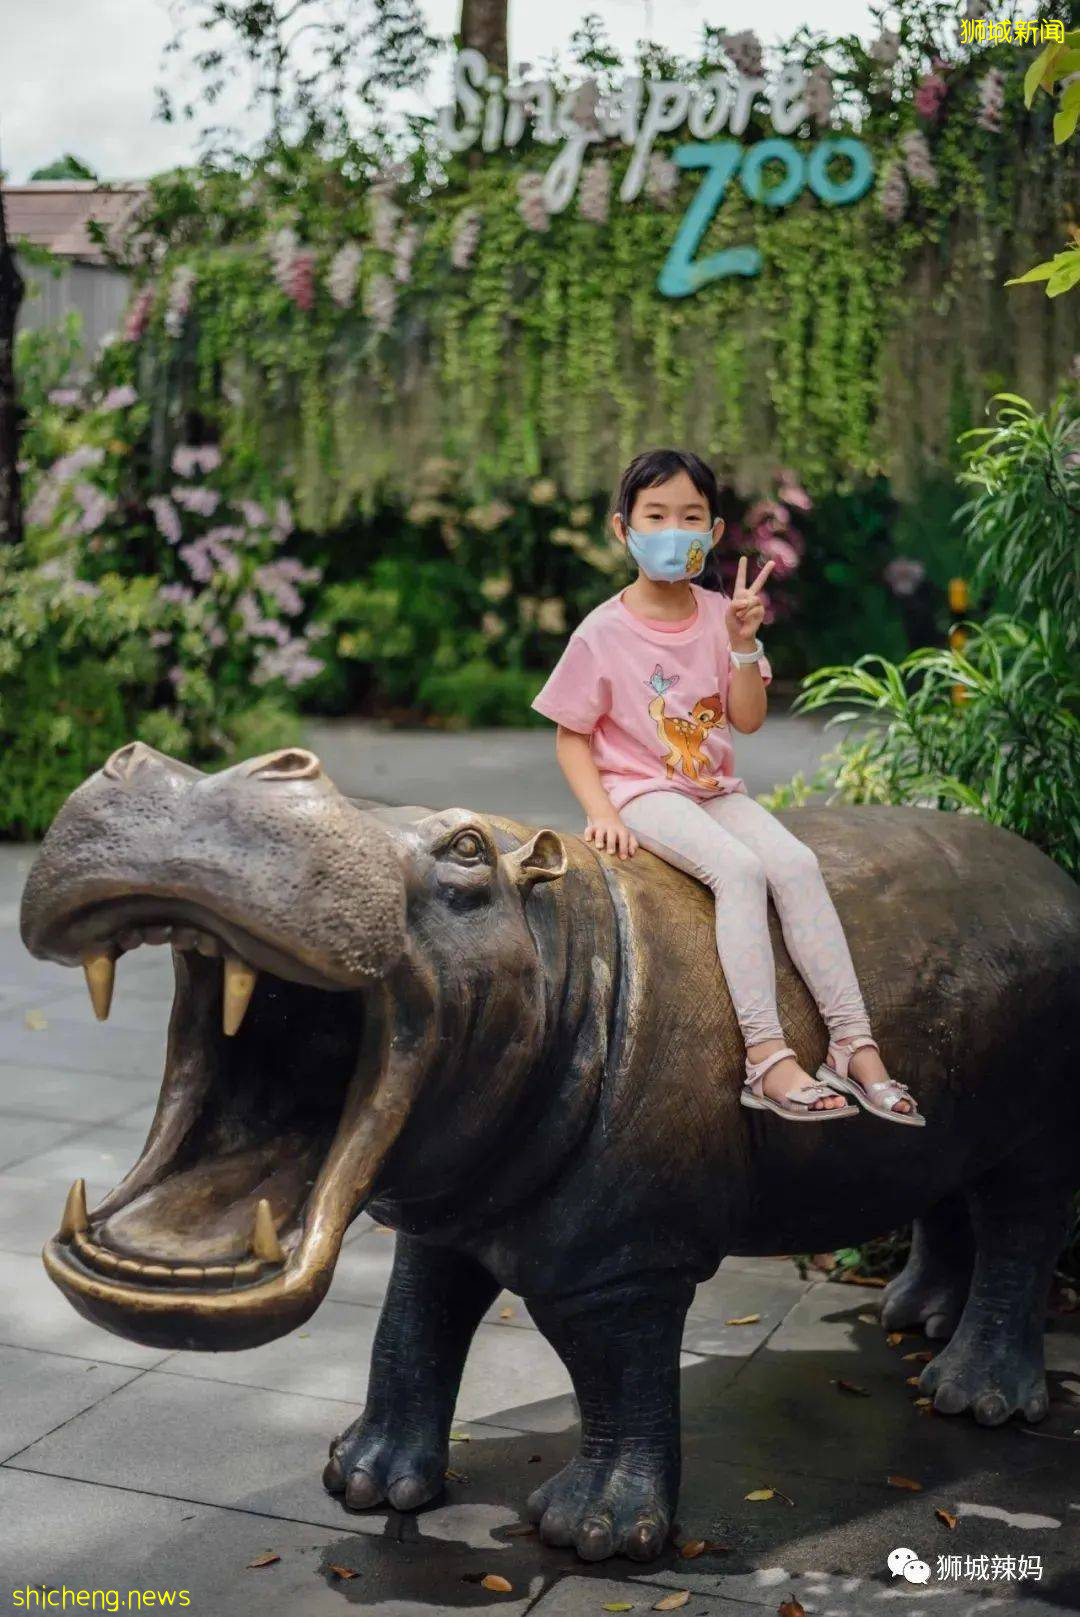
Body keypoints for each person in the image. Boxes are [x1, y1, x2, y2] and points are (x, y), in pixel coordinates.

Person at [530, 448, 925, 1126]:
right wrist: (601, 812)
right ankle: (767, 1058)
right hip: (645, 790)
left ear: (714, 534)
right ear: (622, 529)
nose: (673, 529)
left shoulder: (720, 615)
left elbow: (746, 717)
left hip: (714, 787)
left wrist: (743, 643)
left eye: (691, 516)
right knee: (739, 871)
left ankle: (853, 1044)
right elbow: (571, 733)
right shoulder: (601, 632)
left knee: (797, 865)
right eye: (655, 516)